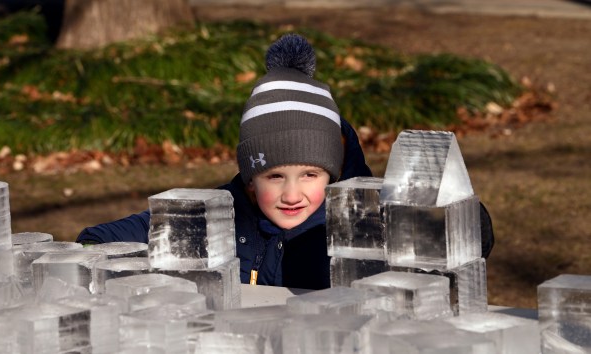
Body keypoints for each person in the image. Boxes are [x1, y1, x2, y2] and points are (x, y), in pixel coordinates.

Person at [77, 34, 494, 289]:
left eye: (310, 174)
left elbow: (476, 236)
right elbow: (124, 231)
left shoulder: (366, 218)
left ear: (331, 174)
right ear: (249, 179)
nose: (292, 194)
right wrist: (88, 250)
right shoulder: (224, 211)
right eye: (275, 176)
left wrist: (452, 217)